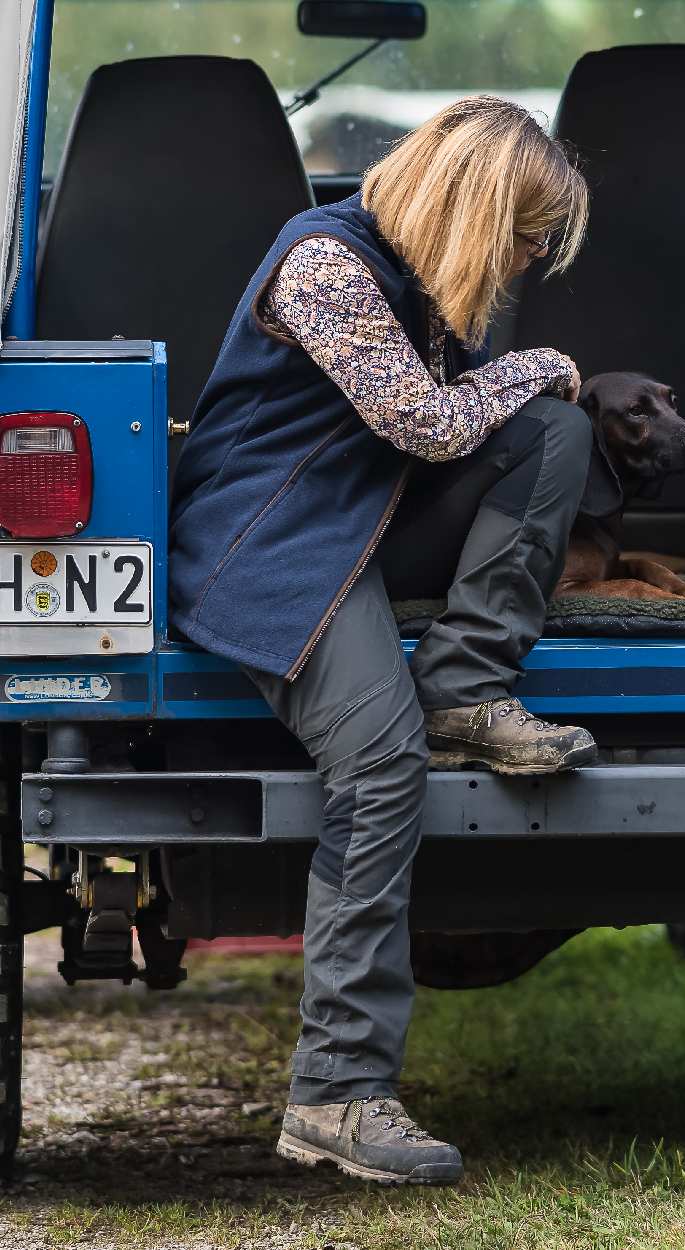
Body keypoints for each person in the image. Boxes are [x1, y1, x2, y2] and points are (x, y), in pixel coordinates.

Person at [168, 96, 594, 1186]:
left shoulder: (436, 281)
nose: (532, 257)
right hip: (271, 540)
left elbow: (446, 430)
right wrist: (537, 360)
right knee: (379, 761)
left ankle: (465, 686)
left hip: (368, 509)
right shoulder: (324, 262)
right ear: (475, 209)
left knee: (555, 431)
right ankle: (337, 1092)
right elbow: (425, 422)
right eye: (529, 233)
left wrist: (528, 380)